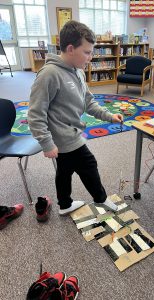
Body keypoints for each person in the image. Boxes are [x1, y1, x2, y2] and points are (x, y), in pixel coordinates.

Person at [28, 20, 123, 216]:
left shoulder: (78, 72)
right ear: (70, 48)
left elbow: (89, 102)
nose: (90, 57)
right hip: (65, 138)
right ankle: (101, 199)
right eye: (87, 52)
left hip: (70, 133)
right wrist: (46, 143)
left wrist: (110, 116)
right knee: (88, 165)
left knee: (65, 170)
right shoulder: (49, 74)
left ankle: (64, 204)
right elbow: (35, 113)